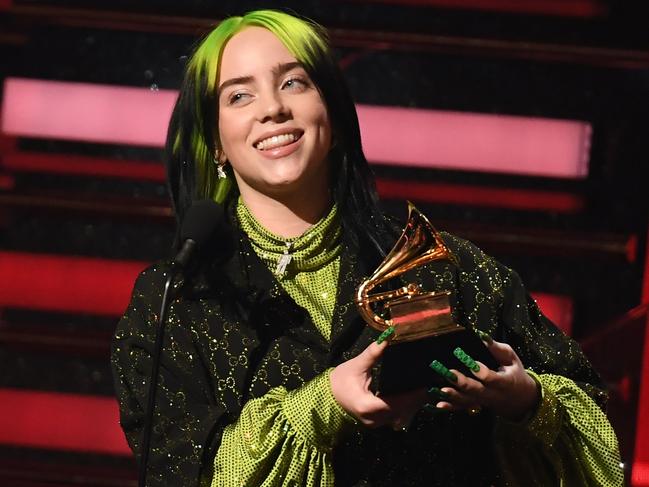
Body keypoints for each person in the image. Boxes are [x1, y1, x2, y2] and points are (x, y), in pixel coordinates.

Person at [111, 9, 624, 486]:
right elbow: (178, 471)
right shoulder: (175, 298)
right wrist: (322, 406)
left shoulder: (445, 265)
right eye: (239, 96)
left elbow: (603, 446)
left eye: (294, 82)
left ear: (331, 116)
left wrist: (526, 400)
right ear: (217, 143)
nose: (273, 108)